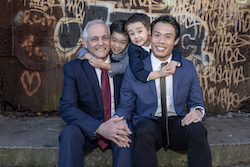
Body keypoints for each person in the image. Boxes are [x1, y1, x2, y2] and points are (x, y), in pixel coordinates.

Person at [115, 15, 212, 167]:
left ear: (176, 41)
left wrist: (198, 112)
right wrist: (117, 120)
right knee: (143, 131)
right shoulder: (135, 70)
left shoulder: (187, 67)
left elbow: (196, 102)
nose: (161, 41)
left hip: (177, 123)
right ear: (150, 36)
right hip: (148, 123)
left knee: (197, 130)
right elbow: (125, 106)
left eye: (168, 37)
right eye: (157, 35)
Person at [58, 19, 133, 167]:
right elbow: (67, 108)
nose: (101, 43)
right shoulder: (73, 69)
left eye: (105, 38)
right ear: (85, 44)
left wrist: (117, 122)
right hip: (88, 128)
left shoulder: (124, 66)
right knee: (69, 134)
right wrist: (99, 128)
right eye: (94, 39)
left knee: (127, 134)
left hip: (117, 124)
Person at [125, 13, 182, 82]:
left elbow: (176, 51)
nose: (136, 36)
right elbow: (138, 72)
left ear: (149, 31)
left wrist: (173, 63)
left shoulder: (155, 41)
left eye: (139, 31)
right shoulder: (133, 49)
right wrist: (159, 73)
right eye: (132, 33)